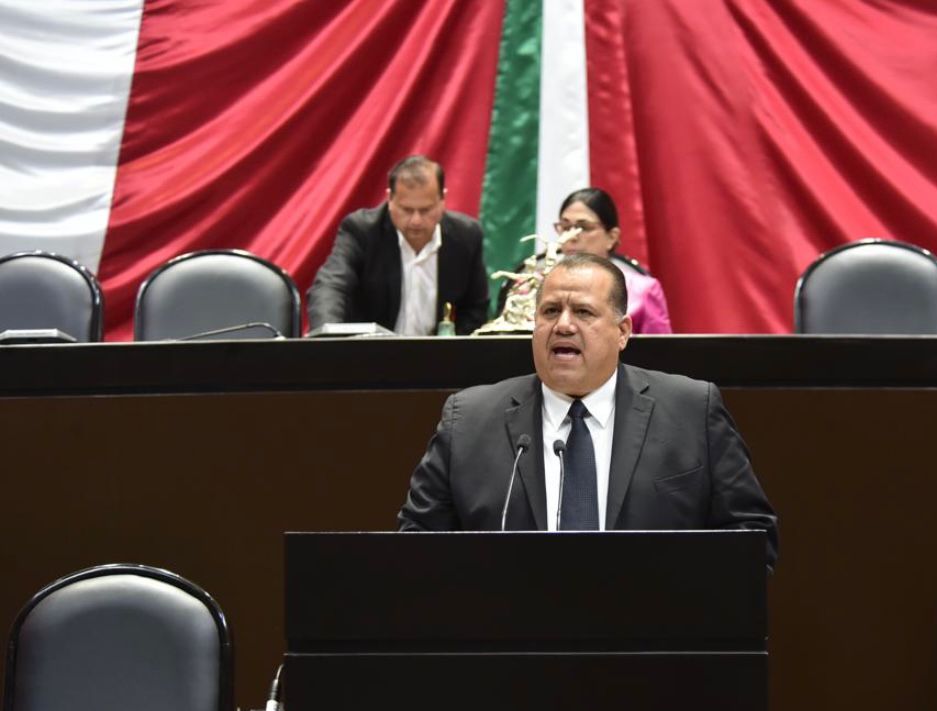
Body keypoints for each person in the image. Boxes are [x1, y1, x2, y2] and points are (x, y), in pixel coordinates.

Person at [398, 253, 778, 567]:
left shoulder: (691, 410)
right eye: (550, 311)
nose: (563, 325)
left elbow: (752, 536)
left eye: (583, 312)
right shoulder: (469, 419)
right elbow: (415, 546)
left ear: (623, 332)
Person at [307, 155, 489, 334]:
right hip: (372, 350)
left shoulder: (466, 237)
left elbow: (476, 308)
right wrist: (330, 337)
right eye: (407, 210)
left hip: (441, 352)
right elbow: (331, 285)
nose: (416, 221)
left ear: (442, 200)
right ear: (390, 199)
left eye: (425, 210)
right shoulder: (362, 231)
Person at [554, 187, 671, 334]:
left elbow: (660, 347)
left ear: (612, 237)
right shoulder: (538, 285)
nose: (571, 237)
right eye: (565, 227)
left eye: (583, 228)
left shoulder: (643, 290)